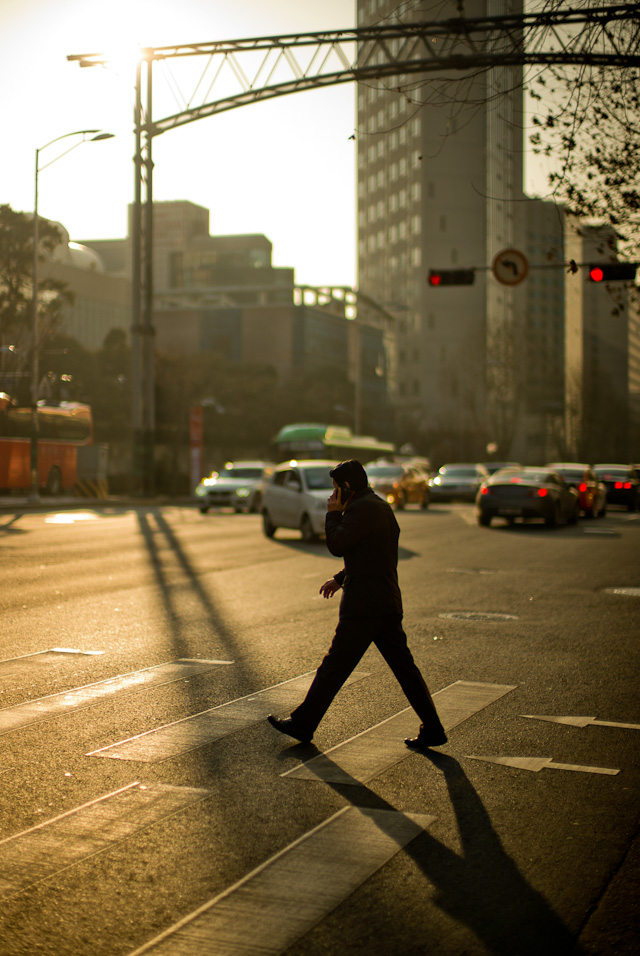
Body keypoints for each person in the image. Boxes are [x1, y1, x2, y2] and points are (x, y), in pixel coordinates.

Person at [267, 459, 446, 749]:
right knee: (404, 670)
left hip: (365, 606)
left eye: (336, 488)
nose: (333, 494)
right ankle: (434, 729)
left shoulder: (361, 509)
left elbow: (337, 544)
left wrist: (332, 514)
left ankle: (303, 723)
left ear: (347, 487)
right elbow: (371, 554)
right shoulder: (378, 506)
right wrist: (341, 578)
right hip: (384, 601)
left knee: (334, 667)